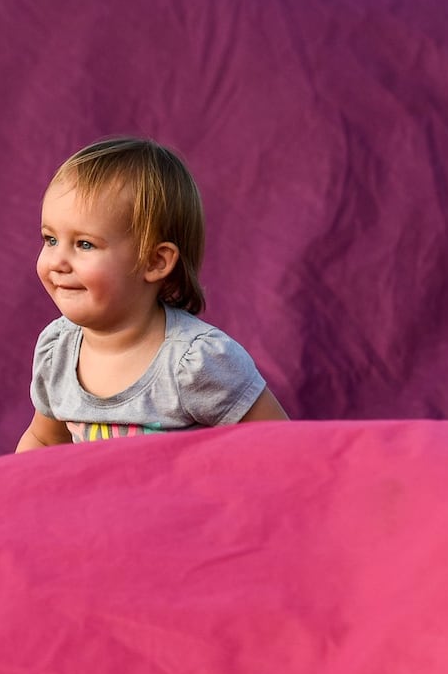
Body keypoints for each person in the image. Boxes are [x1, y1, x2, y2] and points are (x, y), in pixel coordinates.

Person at [15, 136, 287, 452]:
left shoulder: (195, 363)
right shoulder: (57, 350)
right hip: (94, 502)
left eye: (84, 244)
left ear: (155, 261)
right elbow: (45, 440)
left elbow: (279, 444)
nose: (58, 261)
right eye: (50, 240)